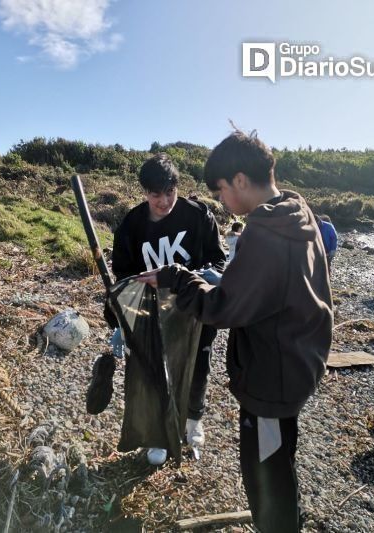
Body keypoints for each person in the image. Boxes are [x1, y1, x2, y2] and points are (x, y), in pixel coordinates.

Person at [137, 131, 332, 533]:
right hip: (297, 362)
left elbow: (223, 306)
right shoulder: (297, 213)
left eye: (222, 190)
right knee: (280, 463)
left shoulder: (267, 233)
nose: (223, 201)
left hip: (272, 379)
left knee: (266, 479)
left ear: (240, 180)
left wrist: (178, 278)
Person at [97, 153, 226, 466]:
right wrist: (119, 321)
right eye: (156, 195)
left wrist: (202, 279)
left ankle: (192, 424)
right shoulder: (131, 226)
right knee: (153, 371)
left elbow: (219, 261)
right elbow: (123, 277)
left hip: (193, 310)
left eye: (170, 192)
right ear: (144, 192)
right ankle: (158, 435)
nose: (164, 201)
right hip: (151, 315)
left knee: (197, 368)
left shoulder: (198, 216)